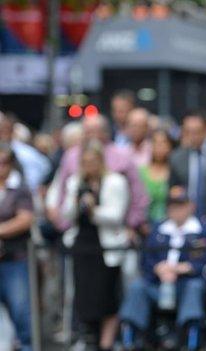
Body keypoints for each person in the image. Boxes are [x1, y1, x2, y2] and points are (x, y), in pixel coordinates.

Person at [119, 186, 206, 350]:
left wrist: (186, 268)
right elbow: (146, 259)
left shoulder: (203, 229)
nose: (176, 210)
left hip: (186, 283)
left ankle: (190, 339)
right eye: (172, 206)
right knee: (138, 286)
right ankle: (131, 338)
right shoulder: (158, 229)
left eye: (181, 205)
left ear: (190, 206)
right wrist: (158, 268)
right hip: (159, 283)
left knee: (194, 287)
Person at [61, 140, 130, 350]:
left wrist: (94, 210)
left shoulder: (115, 181)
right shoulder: (75, 182)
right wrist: (76, 201)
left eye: (93, 161)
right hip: (83, 245)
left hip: (106, 247)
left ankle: (106, 342)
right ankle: (87, 337)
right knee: (84, 296)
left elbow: (116, 215)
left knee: (106, 296)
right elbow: (66, 214)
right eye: (85, 161)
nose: (89, 165)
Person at [0, 144, 35, 351]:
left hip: (15, 259)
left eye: (4, 162)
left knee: (22, 315)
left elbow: (25, 219)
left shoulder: (20, 189)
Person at [169, 112, 206, 233]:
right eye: (188, 131)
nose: (192, 136)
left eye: (196, 131)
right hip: (186, 224)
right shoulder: (177, 157)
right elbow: (173, 189)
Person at [140, 129, 175, 226]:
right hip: (144, 225)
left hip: (170, 225)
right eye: (155, 143)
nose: (159, 147)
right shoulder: (141, 172)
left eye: (163, 143)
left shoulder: (175, 172)